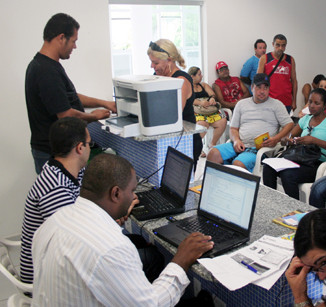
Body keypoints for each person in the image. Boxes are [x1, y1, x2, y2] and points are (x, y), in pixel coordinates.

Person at [32, 154, 214, 306]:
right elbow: (151, 305)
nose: (134, 196)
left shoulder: (55, 221)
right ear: (116, 193)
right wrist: (181, 260)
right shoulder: (111, 249)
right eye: (132, 190)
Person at [25, 13, 116, 174]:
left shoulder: (45, 65)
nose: (75, 46)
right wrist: (94, 116)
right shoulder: (46, 71)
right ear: (61, 37)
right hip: (52, 154)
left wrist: (104, 103)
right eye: (73, 41)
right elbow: (66, 115)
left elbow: (67, 97)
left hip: (53, 151)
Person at [20, 117, 90, 283]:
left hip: (55, 262)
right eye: (89, 144)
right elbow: (75, 243)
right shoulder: (55, 187)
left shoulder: (64, 170)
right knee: (147, 258)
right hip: (45, 280)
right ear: (80, 148)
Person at [263, 88, 326, 199]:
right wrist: (288, 141)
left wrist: (314, 140)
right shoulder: (305, 119)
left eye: (316, 103)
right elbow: (287, 138)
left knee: (288, 175)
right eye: (310, 102)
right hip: (300, 159)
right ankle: (271, 201)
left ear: (325, 105)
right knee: (268, 167)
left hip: (318, 163)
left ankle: (294, 210)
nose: (312, 106)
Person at [207, 73, 294, 172]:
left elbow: (289, 124)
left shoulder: (276, 105)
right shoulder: (241, 104)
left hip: (258, 149)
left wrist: (276, 139)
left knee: (237, 164)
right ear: (252, 87)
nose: (262, 91)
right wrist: (236, 140)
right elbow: (233, 128)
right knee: (212, 154)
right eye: (258, 87)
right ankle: (218, 185)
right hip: (238, 144)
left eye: (265, 88)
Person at [148, 39, 203, 167]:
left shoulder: (181, 80)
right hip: (169, 139)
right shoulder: (158, 76)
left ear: (169, 59)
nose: (152, 66)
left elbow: (172, 114)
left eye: (155, 62)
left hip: (185, 141)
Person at [188, 66, 228, 156]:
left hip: (209, 111)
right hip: (197, 111)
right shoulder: (188, 87)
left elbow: (212, 94)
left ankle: (212, 144)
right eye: (199, 74)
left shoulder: (203, 85)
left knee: (222, 121)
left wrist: (212, 99)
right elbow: (188, 99)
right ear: (192, 76)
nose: (201, 76)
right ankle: (198, 147)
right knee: (202, 125)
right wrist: (200, 102)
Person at [257, 34, 298, 113]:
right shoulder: (265, 58)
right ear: (273, 44)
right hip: (269, 100)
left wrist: (294, 101)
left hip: (286, 101)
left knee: (285, 125)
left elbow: (294, 81)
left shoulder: (290, 60)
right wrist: (259, 99)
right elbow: (258, 81)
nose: (280, 48)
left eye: (283, 46)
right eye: (278, 45)